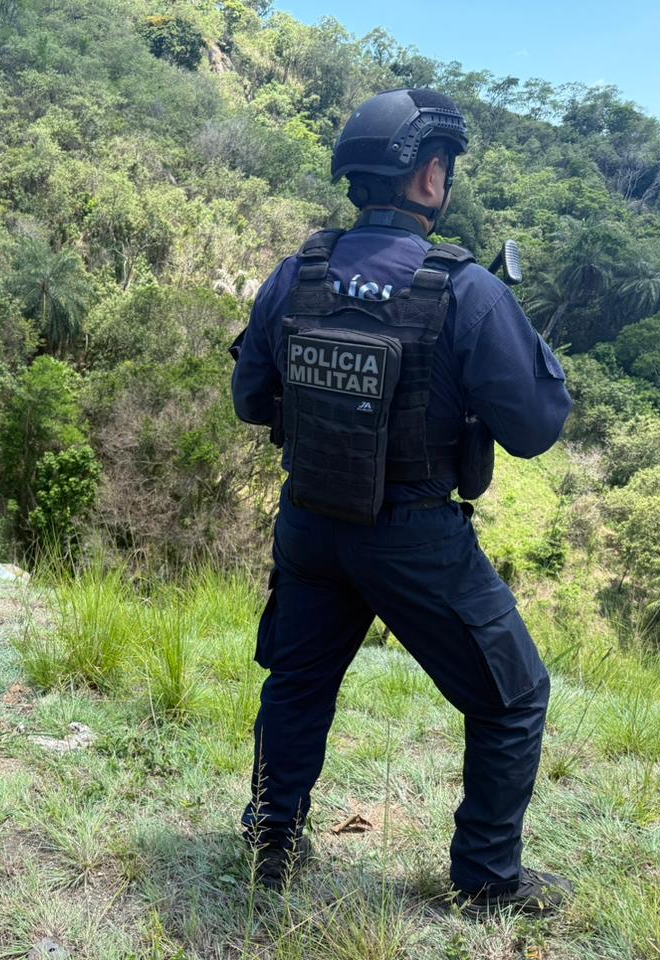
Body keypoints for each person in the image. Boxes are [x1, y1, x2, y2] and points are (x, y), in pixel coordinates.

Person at [230, 88, 574, 916]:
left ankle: (271, 841)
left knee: (298, 680)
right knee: (514, 695)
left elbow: (249, 400)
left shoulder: (297, 274)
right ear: (428, 177)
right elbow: (534, 428)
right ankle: (486, 881)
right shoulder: (466, 291)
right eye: (443, 169)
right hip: (415, 533)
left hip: (311, 522)